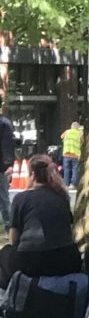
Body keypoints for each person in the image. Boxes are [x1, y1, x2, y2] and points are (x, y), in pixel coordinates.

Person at [0, 154, 81, 290]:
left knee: (5, 253)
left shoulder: (21, 198)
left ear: (32, 174)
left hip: (31, 261)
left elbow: (14, 240)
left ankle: (9, 299)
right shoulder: (62, 196)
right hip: (68, 259)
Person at [0, 97, 14, 234]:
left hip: (2, 167)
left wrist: (8, 164)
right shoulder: (4, 123)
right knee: (3, 197)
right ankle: (9, 227)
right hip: (2, 167)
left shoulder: (3, 124)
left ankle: (9, 227)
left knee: (3, 198)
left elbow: (7, 145)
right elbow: (8, 145)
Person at [60, 121, 83, 189]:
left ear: (71, 126)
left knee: (66, 169)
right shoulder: (79, 134)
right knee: (74, 170)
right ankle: (72, 184)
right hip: (75, 155)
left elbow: (61, 137)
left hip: (66, 154)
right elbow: (82, 141)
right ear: (78, 127)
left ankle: (66, 184)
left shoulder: (67, 132)